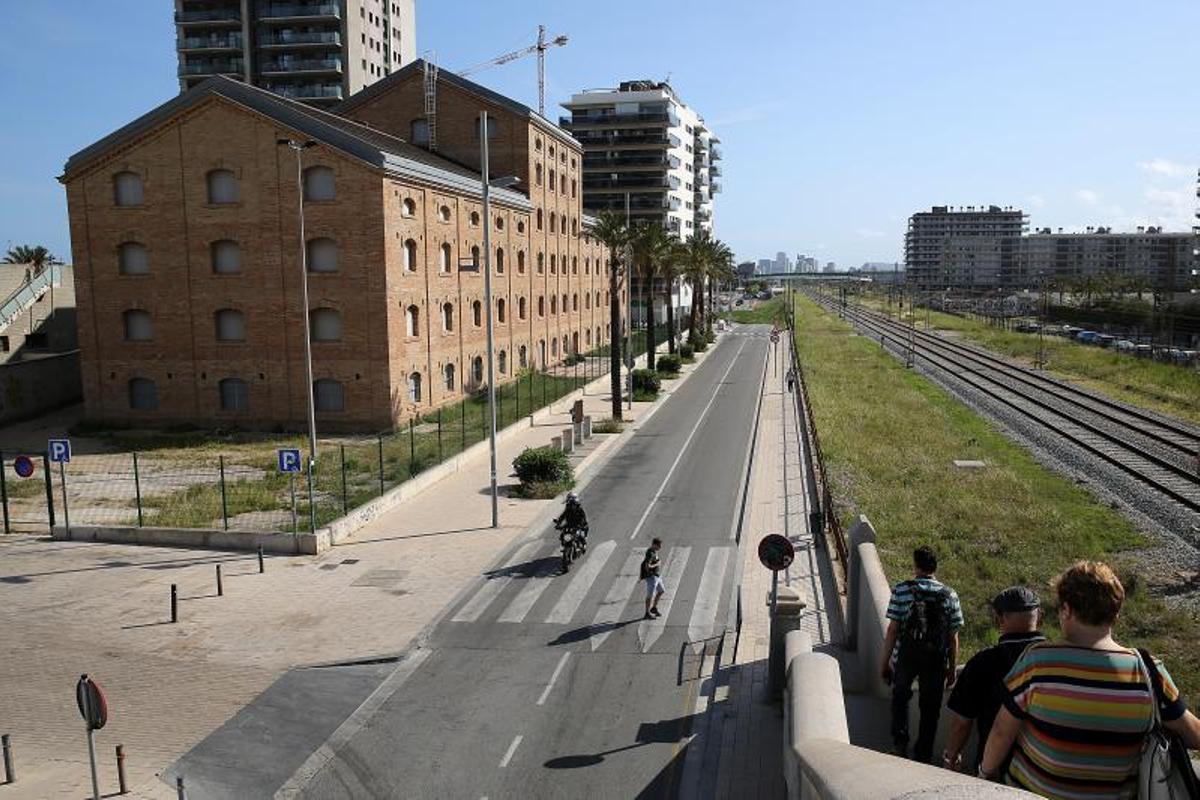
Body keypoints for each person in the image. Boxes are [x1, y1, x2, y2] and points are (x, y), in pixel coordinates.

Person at [981, 561, 1200, 797]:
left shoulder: (1038, 661)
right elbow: (1193, 734)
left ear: (1066, 610)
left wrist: (986, 773)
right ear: (1116, 613)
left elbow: (1002, 730)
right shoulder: (1148, 671)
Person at [942, 586, 1046, 773]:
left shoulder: (982, 662)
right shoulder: (1056, 661)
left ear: (999, 619)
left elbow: (961, 723)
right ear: (1040, 616)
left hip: (993, 769)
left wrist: (950, 757)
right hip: (1042, 773)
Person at [880, 545, 964, 763]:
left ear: (915, 566)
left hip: (905, 656)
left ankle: (900, 746)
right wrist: (952, 669)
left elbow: (892, 630)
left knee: (900, 697)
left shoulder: (902, 590)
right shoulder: (950, 595)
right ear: (935, 567)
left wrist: (884, 663)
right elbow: (953, 637)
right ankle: (923, 755)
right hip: (936, 660)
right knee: (930, 708)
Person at [641, 538, 665, 620]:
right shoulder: (650, 554)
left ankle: (654, 608)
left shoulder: (654, 551)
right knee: (650, 595)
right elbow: (647, 567)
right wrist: (657, 564)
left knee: (661, 591)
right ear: (654, 545)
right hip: (652, 577)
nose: (660, 548)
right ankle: (647, 613)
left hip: (657, 576)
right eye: (659, 546)